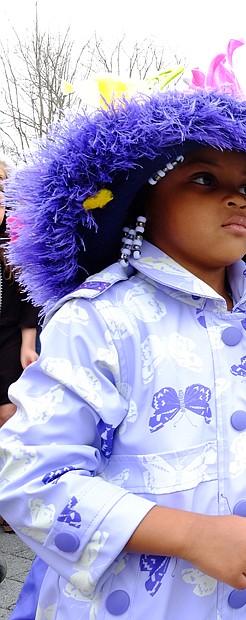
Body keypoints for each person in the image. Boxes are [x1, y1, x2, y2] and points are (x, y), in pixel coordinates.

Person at [0, 45, 246, 619]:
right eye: (204, 179)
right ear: (142, 204)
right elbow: (30, 478)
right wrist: (188, 534)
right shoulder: (101, 320)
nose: (236, 196)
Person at [0, 155, 40, 535]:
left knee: (9, 415)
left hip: (9, 334)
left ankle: (11, 501)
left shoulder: (15, 229)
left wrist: (29, 342)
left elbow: (29, 292)